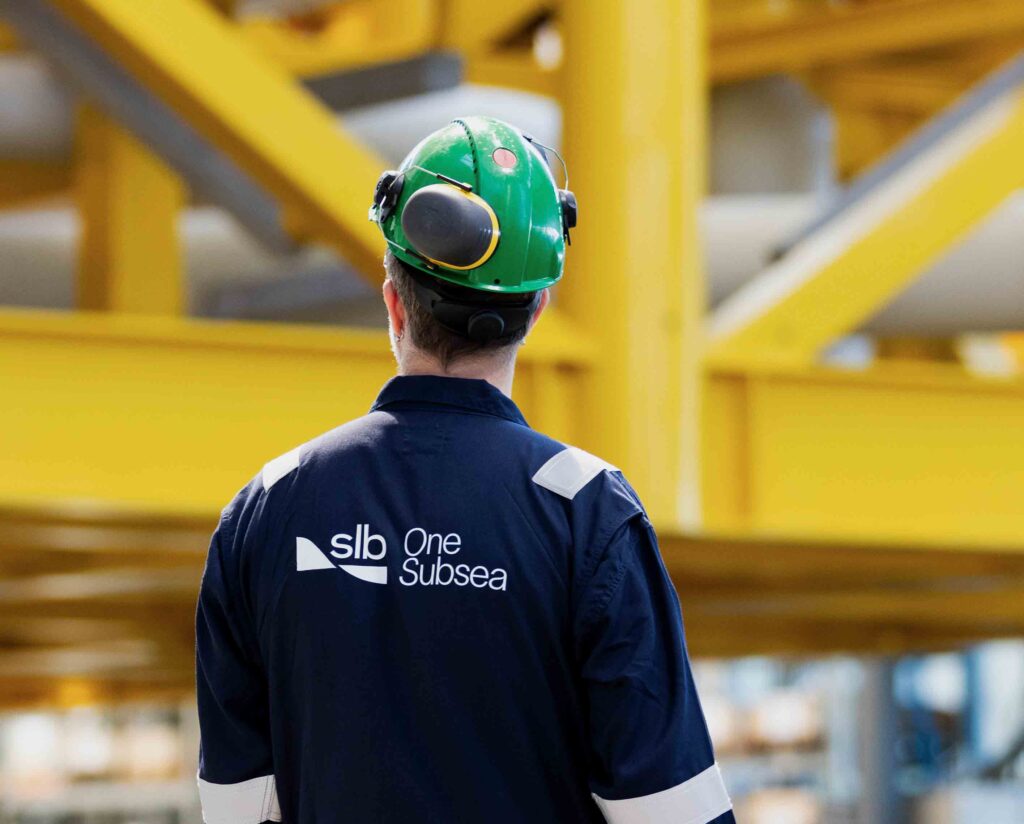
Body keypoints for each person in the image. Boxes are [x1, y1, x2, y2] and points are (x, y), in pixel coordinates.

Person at [195, 116, 734, 824]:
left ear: (394, 302)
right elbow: (672, 810)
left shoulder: (269, 508)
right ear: (536, 310)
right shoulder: (586, 514)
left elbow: (237, 806)